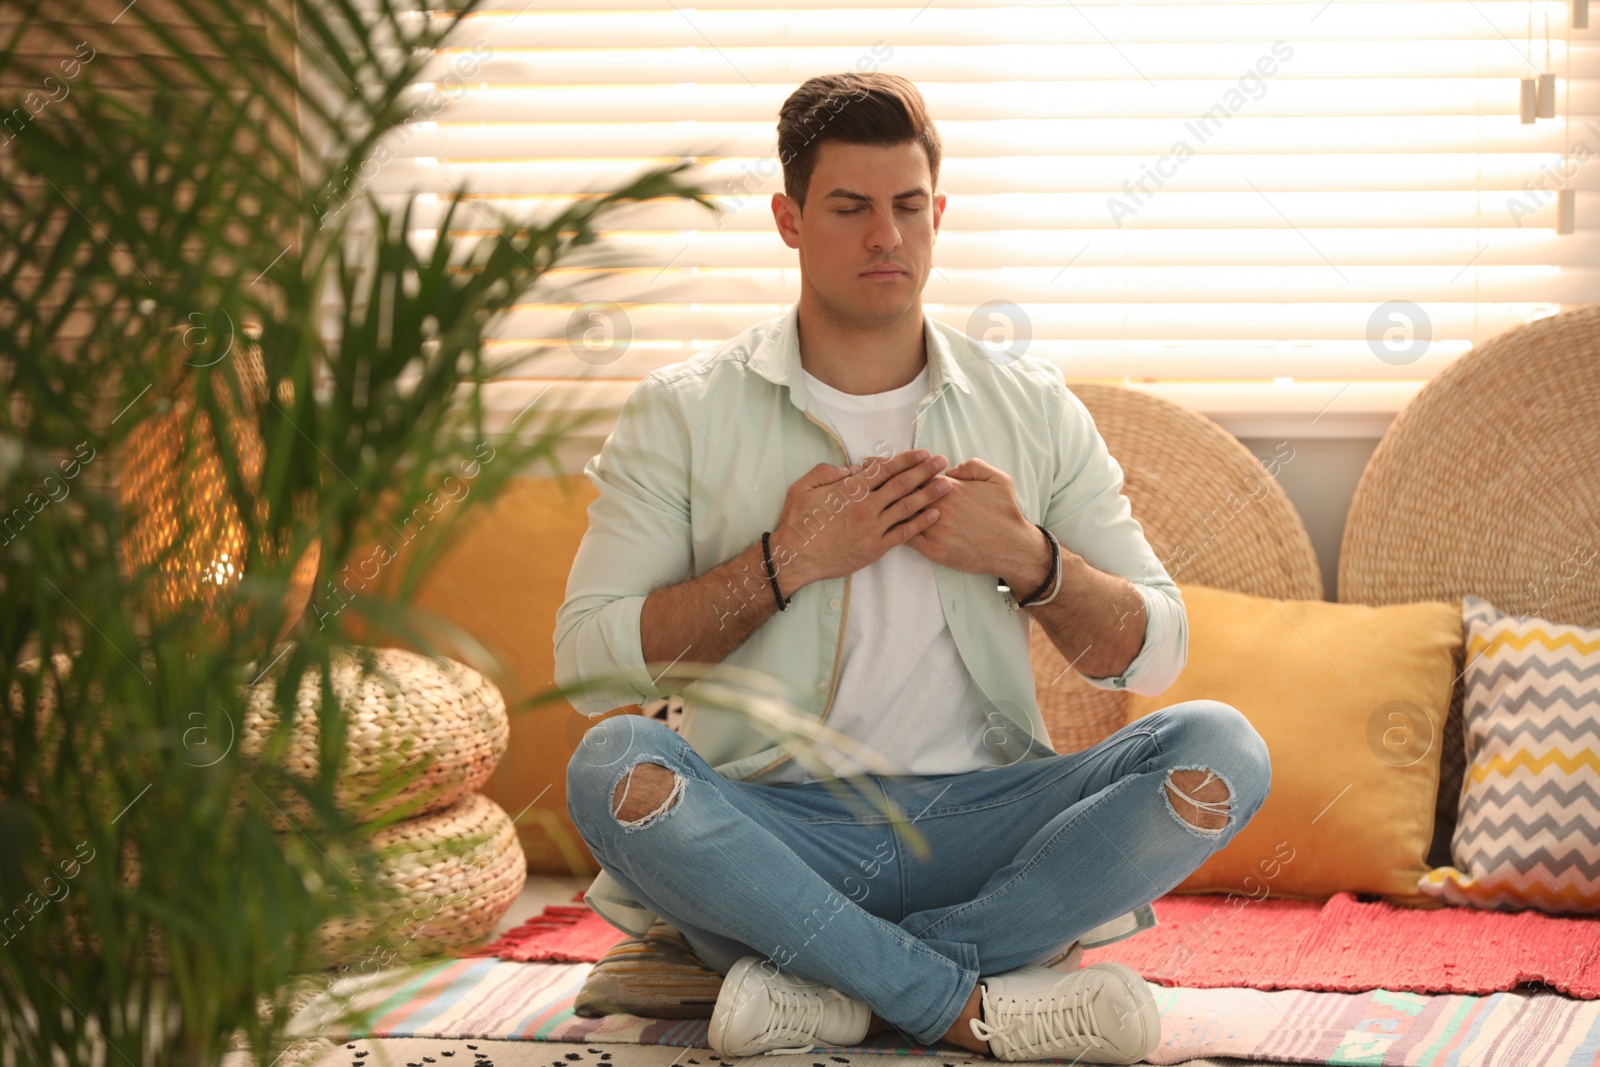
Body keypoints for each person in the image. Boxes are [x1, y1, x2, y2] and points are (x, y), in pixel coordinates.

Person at [554, 71, 1271, 1064]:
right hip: (774, 832)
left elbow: (1155, 650)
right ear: (789, 220)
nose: (885, 237)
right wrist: (779, 564)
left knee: (1222, 750)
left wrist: (1027, 560)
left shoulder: (1031, 406)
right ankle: (968, 1001)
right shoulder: (681, 410)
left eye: (905, 208)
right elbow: (588, 659)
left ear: (937, 213)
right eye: (848, 208)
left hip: (989, 834)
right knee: (611, 766)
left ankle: (835, 988)